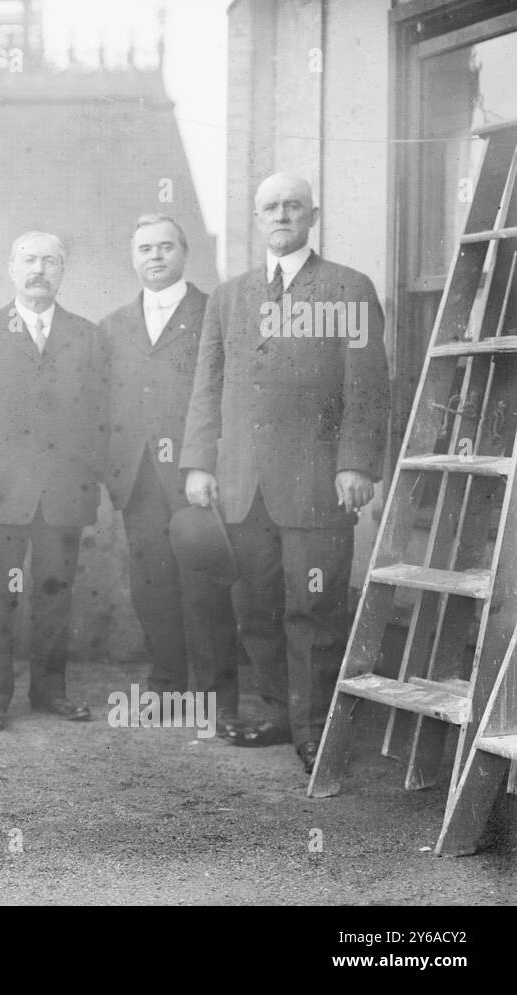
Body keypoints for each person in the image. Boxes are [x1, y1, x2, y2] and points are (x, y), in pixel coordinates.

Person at [180, 173, 390, 774]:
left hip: (320, 483)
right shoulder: (230, 296)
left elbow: (368, 388)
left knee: (314, 607)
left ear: (312, 216)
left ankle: (315, 728)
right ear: (256, 217)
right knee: (257, 606)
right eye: (270, 207)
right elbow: (208, 386)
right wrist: (199, 463)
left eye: (292, 206)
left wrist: (356, 463)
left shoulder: (349, 288)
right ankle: (279, 712)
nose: (281, 215)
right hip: (244, 486)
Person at [0, 231, 109, 730]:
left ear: (63, 272)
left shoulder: (87, 335)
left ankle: (50, 691)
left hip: (63, 491)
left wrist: (93, 477)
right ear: (12, 269)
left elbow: (101, 413)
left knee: (56, 594)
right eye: (30, 260)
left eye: (51, 261)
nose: (39, 269)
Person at [101, 213, 240, 725]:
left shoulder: (212, 312)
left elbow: (226, 393)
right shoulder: (114, 324)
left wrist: (207, 462)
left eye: (165, 247)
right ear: (133, 257)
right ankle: (166, 687)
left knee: (203, 582)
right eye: (145, 249)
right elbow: (104, 402)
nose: (155, 257)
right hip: (138, 476)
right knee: (151, 583)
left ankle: (218, 697)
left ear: (184, 253)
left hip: (192, 472)